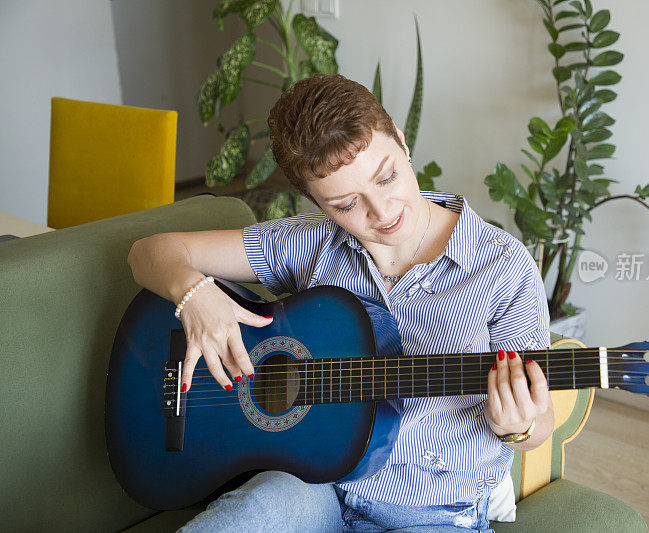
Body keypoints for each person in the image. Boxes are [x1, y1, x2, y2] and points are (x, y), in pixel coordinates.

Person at [127, 73, 554, 532]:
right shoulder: (310, 243)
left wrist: (521, 427)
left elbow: (540, 420)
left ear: (403, 143)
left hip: (433, 518)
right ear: (315, 203)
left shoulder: (503, 267)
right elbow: (148, 253)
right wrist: (195, 295)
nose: (383, 211)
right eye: (346, 204)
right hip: (313, 488)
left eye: (387, 175)